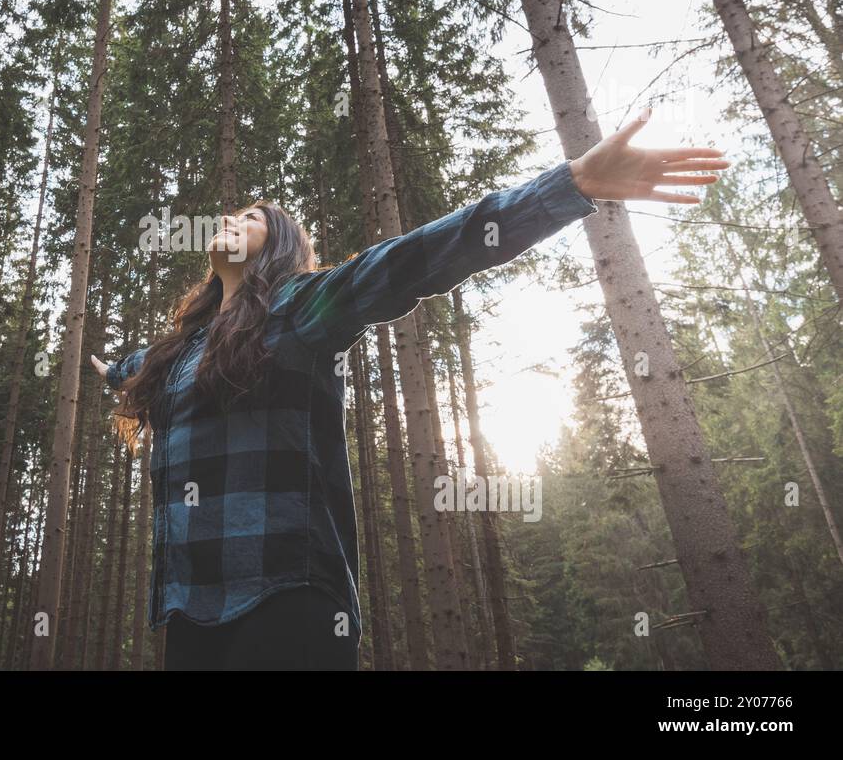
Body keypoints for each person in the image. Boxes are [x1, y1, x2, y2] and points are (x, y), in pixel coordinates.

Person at [90, 107, 728, 670]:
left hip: (286, 596)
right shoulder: (175, 353)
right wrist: (115, 371)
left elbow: (414, 259)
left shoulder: (300, 307)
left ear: (279, 245)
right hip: (186, 607)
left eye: (253, 216)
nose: (232, 218)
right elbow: (136, 367)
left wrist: (568, 186)